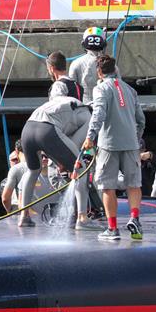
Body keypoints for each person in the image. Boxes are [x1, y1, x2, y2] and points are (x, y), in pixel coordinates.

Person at [82, 55, 146, 241]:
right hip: (131, 145)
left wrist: (90, 137)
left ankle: (112, 229)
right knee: (134, 183)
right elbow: (141, 120)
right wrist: (136, 139)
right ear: (115, 70)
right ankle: (135, 219)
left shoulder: (100, 88)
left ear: (99, 72)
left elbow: (99, 114)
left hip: (108, 145)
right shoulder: (130, 90)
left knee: (107, 186)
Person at [19, 86, 93, 228]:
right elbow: (75, 145)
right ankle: (82, 218)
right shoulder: (86, 112)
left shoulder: (49, 104)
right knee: (81, 169)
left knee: (33, 170)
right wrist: (64, 162)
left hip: (27, 130)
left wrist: (60, 158)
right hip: (47, 130)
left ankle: (24, 216)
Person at [69, 27, 109, 104]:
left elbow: (71, 90)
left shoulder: (75, 63)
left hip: (84, 108)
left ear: (83, 43)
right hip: (105, 106)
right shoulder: (110, 64)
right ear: (104, 43)